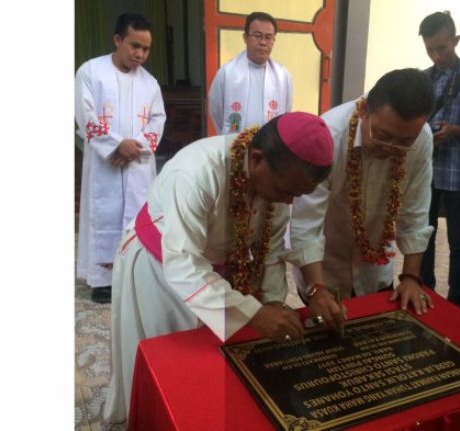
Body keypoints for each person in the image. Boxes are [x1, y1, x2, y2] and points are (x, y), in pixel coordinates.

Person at [101, 112, 334, 425]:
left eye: (298, 195)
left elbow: (270, 251)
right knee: (171, 366)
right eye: (284, 190)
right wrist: (252, 312)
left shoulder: (279, 183)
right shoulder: (196, 172)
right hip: (160, 268)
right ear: (256, 158)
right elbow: (183, 263)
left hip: (216, 270)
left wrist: (274, 301)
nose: (289, 201)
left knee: (211, 366)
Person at [286, 69, 436, 332]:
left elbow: (415, 211)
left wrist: (411, 277)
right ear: (365, 109)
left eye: (404, 141)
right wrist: (316, 289)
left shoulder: (421, 140)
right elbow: (305, 224)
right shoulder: (328, 136)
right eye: (383, 135)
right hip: (322, 270)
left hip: (375, 273)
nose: (391, 147)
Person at [75, 13, 165, 304]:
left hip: (137, 164)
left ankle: (135, 276)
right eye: (134, 46)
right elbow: (84, 114)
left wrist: (133, 147)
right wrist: (115, 145)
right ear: (117, 40)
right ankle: (102, 281)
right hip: (106, 164)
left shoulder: (150, 83)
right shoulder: (90, 72)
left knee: (138, 218)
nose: (140, 54)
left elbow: (157, 119)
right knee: (105, 214)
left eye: (146, 49)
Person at [417, 12, 460, 309]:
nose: (436, 55)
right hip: (427, 171)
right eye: (430, 49)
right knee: (423, 234)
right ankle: (423, 288)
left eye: (442, 48)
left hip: (458, 172)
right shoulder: (424, 78)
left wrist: (454, 131)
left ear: (455, 41)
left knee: (458, 241)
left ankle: (456, 299)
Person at [208, 11, 293, 134]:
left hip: (269, 146)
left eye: (268, 37)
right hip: (236, 144)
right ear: (245, 38)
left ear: (274, 40)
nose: (263, 42)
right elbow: (216, 110)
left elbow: (286, 110)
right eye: (257, 35)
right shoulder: (227, 73)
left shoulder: (283, 76)